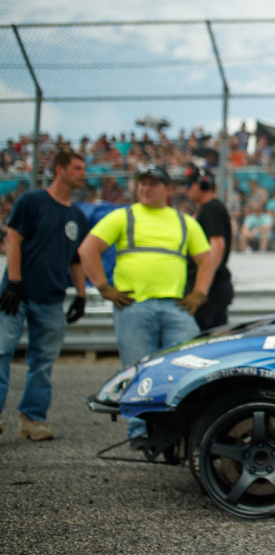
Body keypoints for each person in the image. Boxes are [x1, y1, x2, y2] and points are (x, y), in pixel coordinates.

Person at [77, 165, 215, 447]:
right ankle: (139, 431)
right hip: (134, 306)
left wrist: (199, 293)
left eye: (153, 184)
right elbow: (87, 249)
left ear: (167, 189)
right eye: (142, 183)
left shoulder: (184, 222)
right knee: (136, 369)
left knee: (186, 367)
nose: (145, 188)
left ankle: (181, 428)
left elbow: (206, 259)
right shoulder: (123, 216)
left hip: (177, 308)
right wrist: (103, 287)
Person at [0, 150, 90, 441]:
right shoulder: (32, 201)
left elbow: (76, 259)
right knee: (1, 352)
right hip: (18, 294)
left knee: (43, 362)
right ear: (60, 169)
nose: (82, 173)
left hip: (52, 298)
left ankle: (32, 420)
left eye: (84, 168)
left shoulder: (77, 215)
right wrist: (14, 282)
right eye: (77, 168)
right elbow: (13, 238)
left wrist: (80, 295)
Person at [184, 166, 234, 331]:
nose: (187, 189)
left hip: (211, 289)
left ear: (203, 185)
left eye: (190, 185)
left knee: (209, 336)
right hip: (212, 286)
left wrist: (203, 287)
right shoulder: (210, 209)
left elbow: (217, 246)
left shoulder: (211, 209)